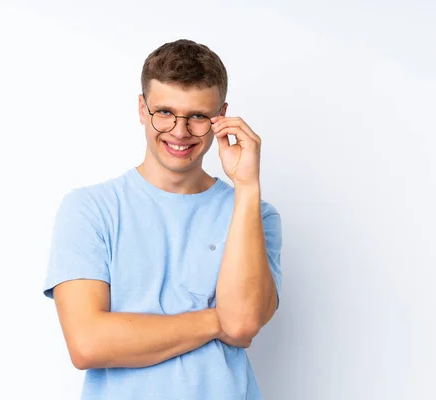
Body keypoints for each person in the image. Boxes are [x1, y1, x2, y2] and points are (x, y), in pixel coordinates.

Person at [42, 39, 283, 400]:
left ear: (221, 115)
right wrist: (218, 320)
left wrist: (247, 186)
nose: (180, 131)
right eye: (165, 112)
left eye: (199, 116)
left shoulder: (256, 214)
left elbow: (245, 322)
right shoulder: (90, 209)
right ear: (142, 108)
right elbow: (88, 343)